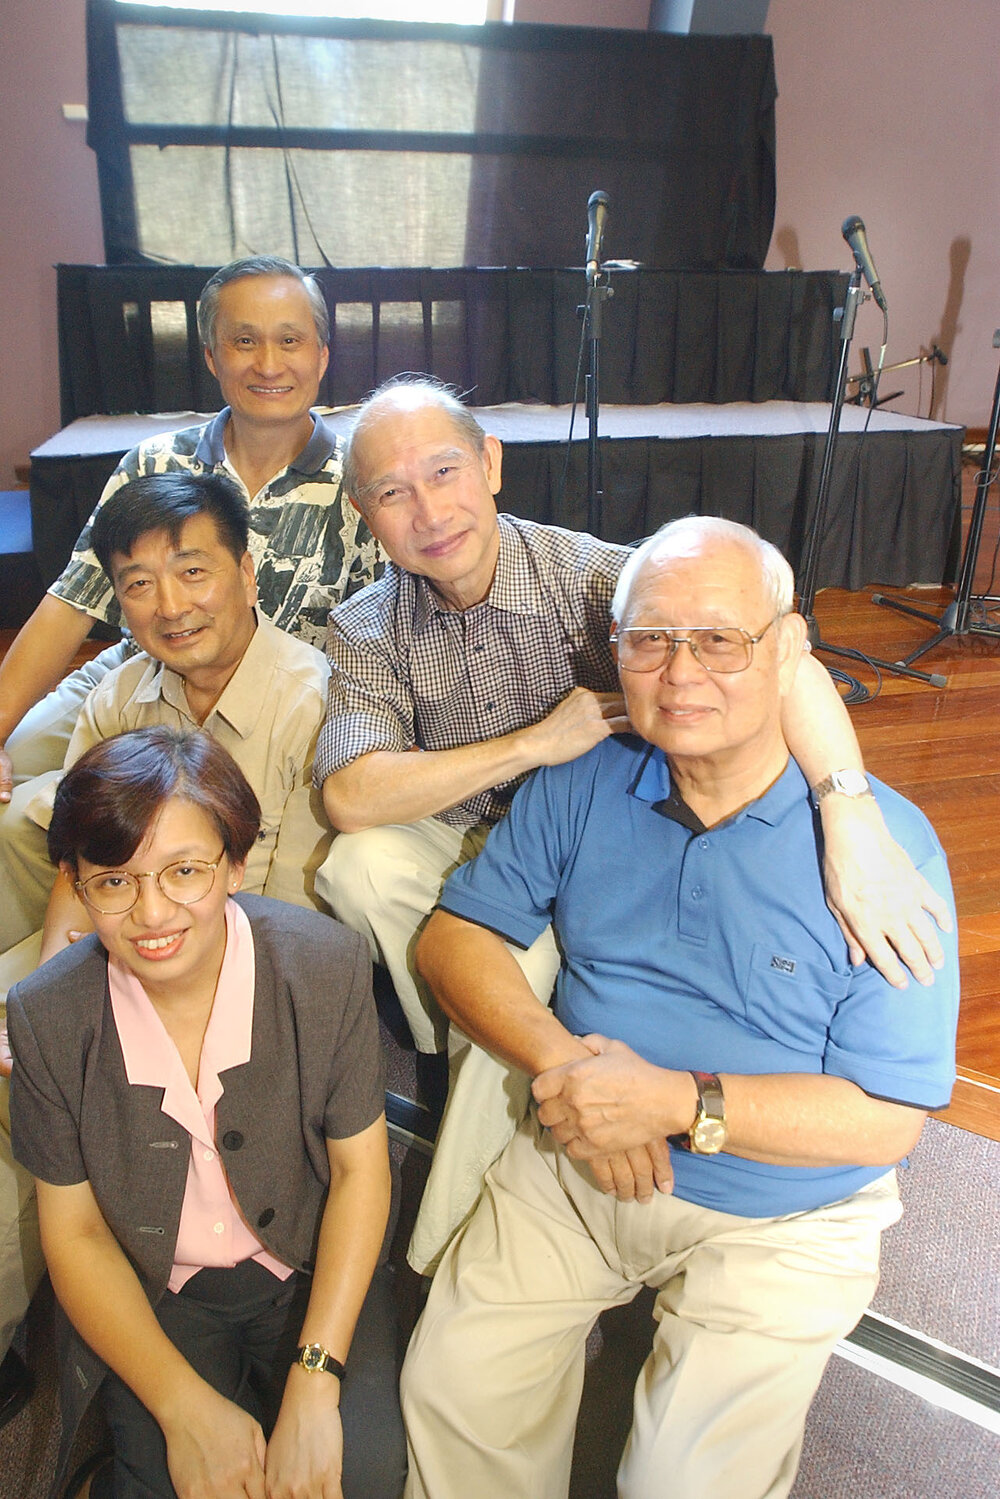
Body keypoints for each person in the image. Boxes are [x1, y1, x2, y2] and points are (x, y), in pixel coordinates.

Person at [311, 375, 951, 1267]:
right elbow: (349, 793)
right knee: (360, 863)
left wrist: (849, 814)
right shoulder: (367, 625)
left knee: (519, 987)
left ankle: (456, 1232)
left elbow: (778, 652)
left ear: (492, 464)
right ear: (363, 513)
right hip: (485, 832)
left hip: (603, 844)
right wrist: (539, 742)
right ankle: (474, 1054)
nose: (428, 511)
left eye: (446, 471)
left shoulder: (596, 575)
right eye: (391, 492)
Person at [400, 516, 959, 1499]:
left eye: (718, 639)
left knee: (680, 1479)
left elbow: (886, 1115)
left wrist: (673, 1101)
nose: (679, 671)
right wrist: (571, 1072)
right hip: (580, 1151)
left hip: (785, 1210)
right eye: (649, 639)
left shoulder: (884, 857)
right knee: (456, 1389)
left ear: (786, 651)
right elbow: (453, 939)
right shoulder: (583, 777)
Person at [0, 470, 333, 1426]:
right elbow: (76, 870)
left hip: (230, 989)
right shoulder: (116, 694)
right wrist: (54, 989)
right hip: (120, 946)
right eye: (137, 583)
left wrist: (84, 1021)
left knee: (38, 1092)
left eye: (193, 570)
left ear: (246, 569)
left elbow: (278, 928)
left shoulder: (309, 703)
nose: (169, 604)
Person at [7, 727, 405, 1499]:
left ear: (235, 863)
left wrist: (316, 1382)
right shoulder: (47, 1015)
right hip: (159, 1288)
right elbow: (78, 1234)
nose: (153, 912)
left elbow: (361, 1174)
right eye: (115, 881)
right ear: (77, 884)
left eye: (185, 871)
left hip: (304, 1265)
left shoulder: (325, 964)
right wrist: (183, 1407)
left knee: (358, 1474)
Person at [0, 254, 378, 802]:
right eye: (244, 342)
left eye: (290, 341)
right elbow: (72, 601)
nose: (269, 365)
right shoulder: (152, 464)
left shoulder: (364, 480)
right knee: (18, 780)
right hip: (138, 678)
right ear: (210, 357)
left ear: (322, 356)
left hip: (281, 707)